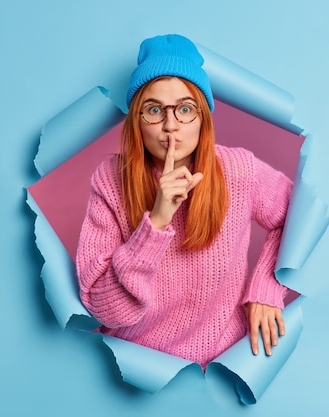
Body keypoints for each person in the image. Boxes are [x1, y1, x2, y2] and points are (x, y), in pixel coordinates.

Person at [76, 34, 293, 368]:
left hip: (217, 367)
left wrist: (266, 288)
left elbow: (297, 215)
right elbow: (103, 308)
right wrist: (157, 222)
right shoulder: (111, 180)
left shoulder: (237, 170)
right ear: (137, 120)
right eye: (154, 110)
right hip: (134, 366)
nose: (170, 126)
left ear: (203, 118)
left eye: (185, 109)